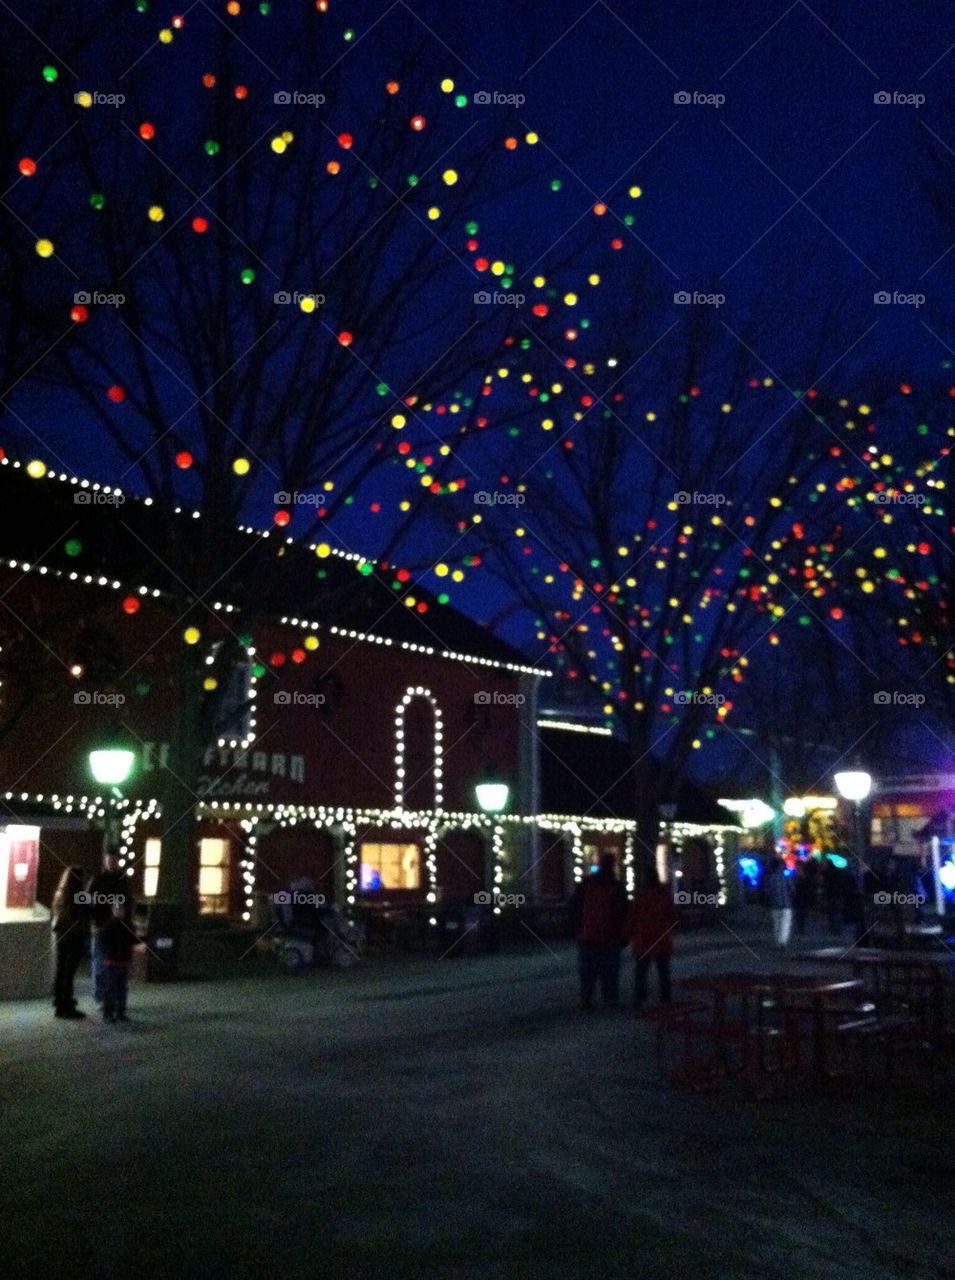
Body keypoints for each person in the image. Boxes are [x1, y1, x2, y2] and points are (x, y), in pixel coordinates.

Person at [570, 852, 628, 1010]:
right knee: (609, 971)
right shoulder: (617, 886)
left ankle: (587, 999)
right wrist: (623, 935)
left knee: (588, 972)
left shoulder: (586, 884)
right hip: (609, 936)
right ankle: (609, 999)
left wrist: (575, 929)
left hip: (587, 934)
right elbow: (623, 913)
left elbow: (574, 907)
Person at [629, 865, 677, 1011]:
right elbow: (672, 914)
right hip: (661, 937)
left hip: (644, 938)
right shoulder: (663, 893)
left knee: (641, 971)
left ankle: (640, 999)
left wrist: (628, 932)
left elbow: (633, 916)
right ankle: (665, 998)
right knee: (663, 970)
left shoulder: (640, 894)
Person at [86, 850, 129, 1003]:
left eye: (113, 861)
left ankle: (109, 996)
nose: (111, 864)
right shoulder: (101, 880)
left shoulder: (117, 880)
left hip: (113, 927)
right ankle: (104, 995)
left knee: (110, 965)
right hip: (103, 926)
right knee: (101, 964)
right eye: (109, 861)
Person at [51, 865, 89, 1019]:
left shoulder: (59, 894)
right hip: (75, 938)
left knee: (61, 971)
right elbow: (88, 912)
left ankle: (59, 1002)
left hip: (61, 936)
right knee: (69, 973)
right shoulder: (79, 895)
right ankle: (67, 1005)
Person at [100, 902, 138, 1023]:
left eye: (120, 909)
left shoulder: (109, 925)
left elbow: (132, 940)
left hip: (117, 961)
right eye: (117, 909)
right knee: (115, 989)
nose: (119, 911)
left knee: (118, 988)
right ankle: (112, 1013)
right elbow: (133, 940)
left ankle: (115, 1013)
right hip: (116, 961)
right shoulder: (125, 925)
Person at [765, 855, 793, 948]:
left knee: (776, 924)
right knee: (785, 923)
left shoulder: (770, 878)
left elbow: (767, 891)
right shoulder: (786, 877)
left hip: (775, 904)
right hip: (786, 904)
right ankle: (783, 941)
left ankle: (778, 941)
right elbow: (792, 889)